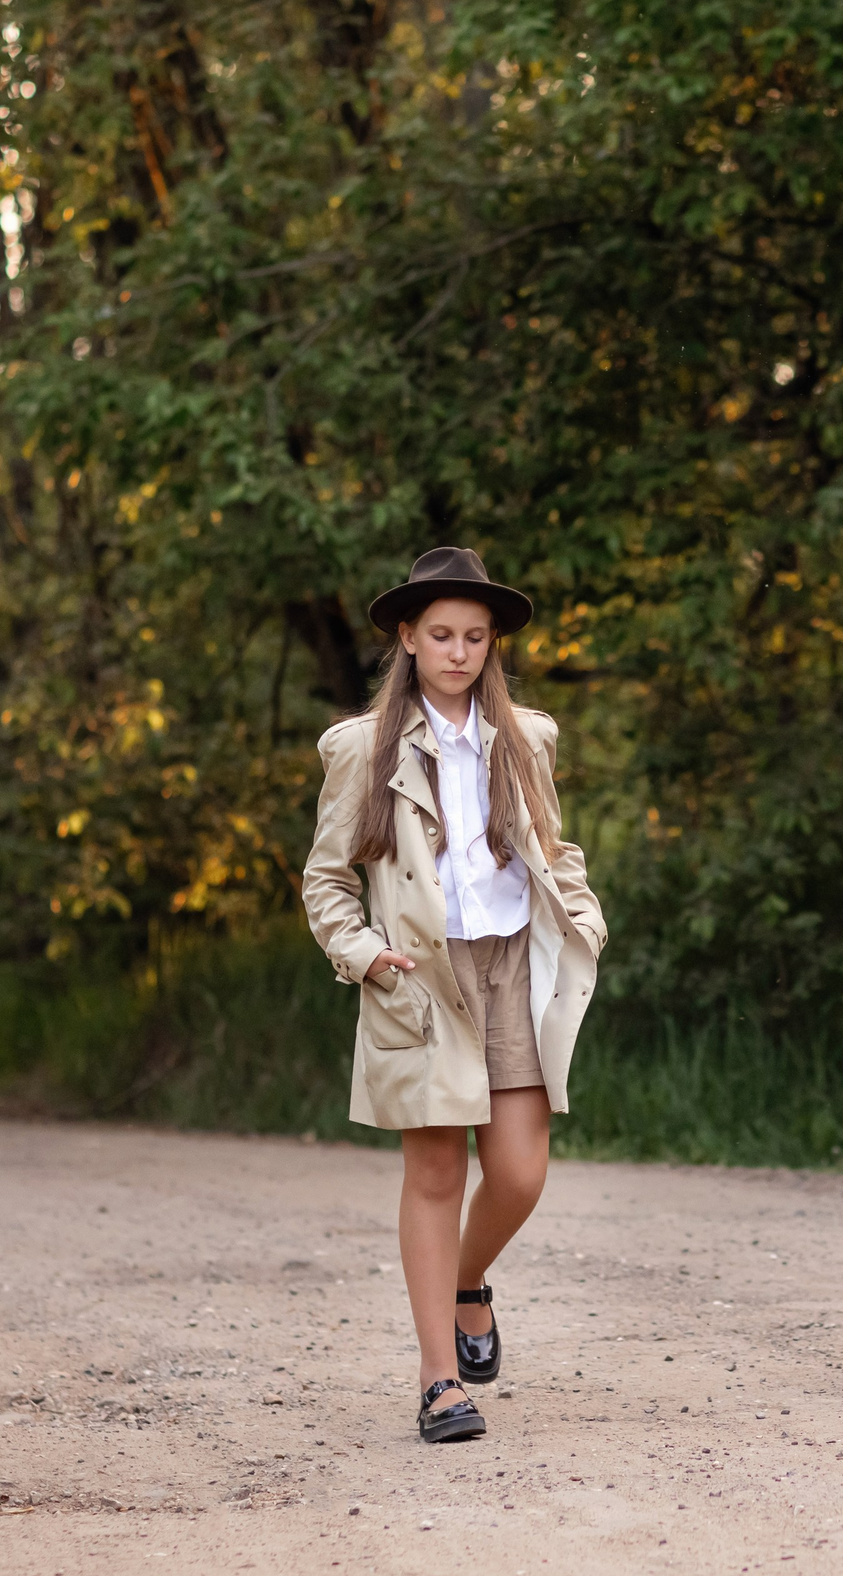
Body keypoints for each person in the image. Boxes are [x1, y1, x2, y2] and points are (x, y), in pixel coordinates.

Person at [301, 547, 606, 1443]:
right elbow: (327, 880)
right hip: (421, 974)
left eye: (476, 636)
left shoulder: (526, 737)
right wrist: (363, 954)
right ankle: (441, 1382)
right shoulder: (365, 748)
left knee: (518, 1170)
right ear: (407, 637)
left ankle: (469, 1282)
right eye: (441, 634)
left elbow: (555, 847)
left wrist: (583, 916)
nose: (460, 651)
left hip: (513, 964)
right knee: (434, 1173)